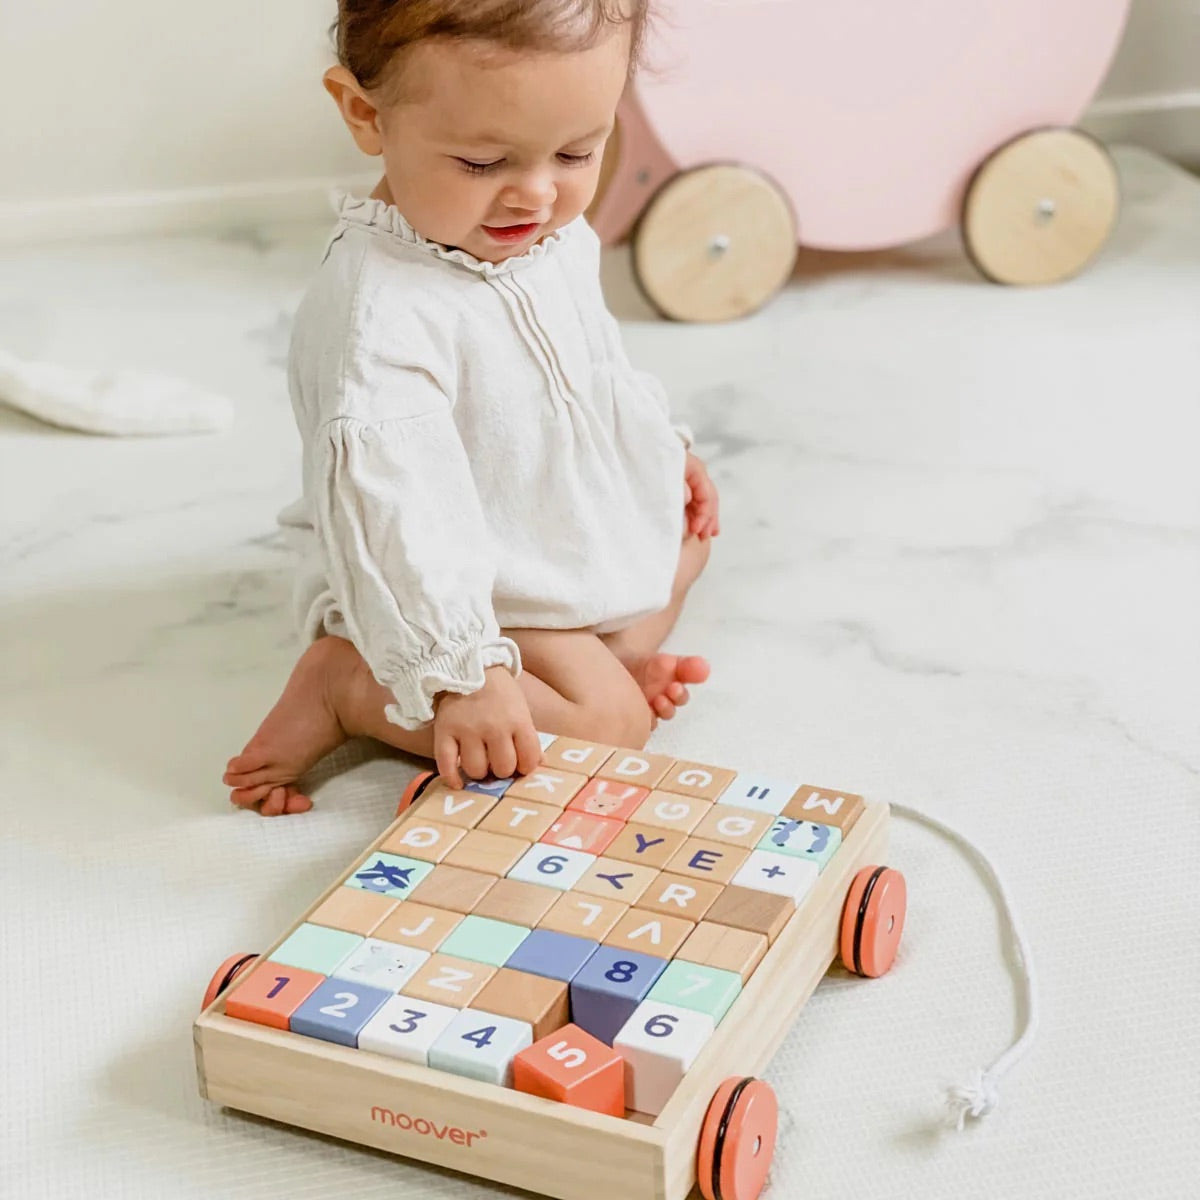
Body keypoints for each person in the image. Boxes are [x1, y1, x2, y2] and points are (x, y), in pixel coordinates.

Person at [224, 0, 719, 817]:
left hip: (544, 518)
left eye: (577, 150)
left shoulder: (545, 230)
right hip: (446, 570)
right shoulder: (380, 321)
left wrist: (656, 450)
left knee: (686, 547)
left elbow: (592, 358)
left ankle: (588, 656)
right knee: (611, 727)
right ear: (364, 114)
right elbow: (398, 513)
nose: (536, 194)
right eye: (482, 162)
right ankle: (350, 682)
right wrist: (464, 673)